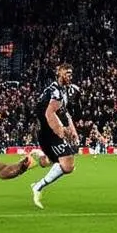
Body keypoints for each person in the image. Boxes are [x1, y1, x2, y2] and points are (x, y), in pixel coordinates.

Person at [30, 63, 80, 209]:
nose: (70, 76)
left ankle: (39, 156)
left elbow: (64, 112)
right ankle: (37, 187)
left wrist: (73, 130)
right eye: (67, 73)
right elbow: (48, 113)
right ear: (59, 73)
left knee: (54, 161)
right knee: (68, 165)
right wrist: (60, 131)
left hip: (48, 130)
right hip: (47, 131)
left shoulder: (63, 91)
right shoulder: (55, 91)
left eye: (71, 73)